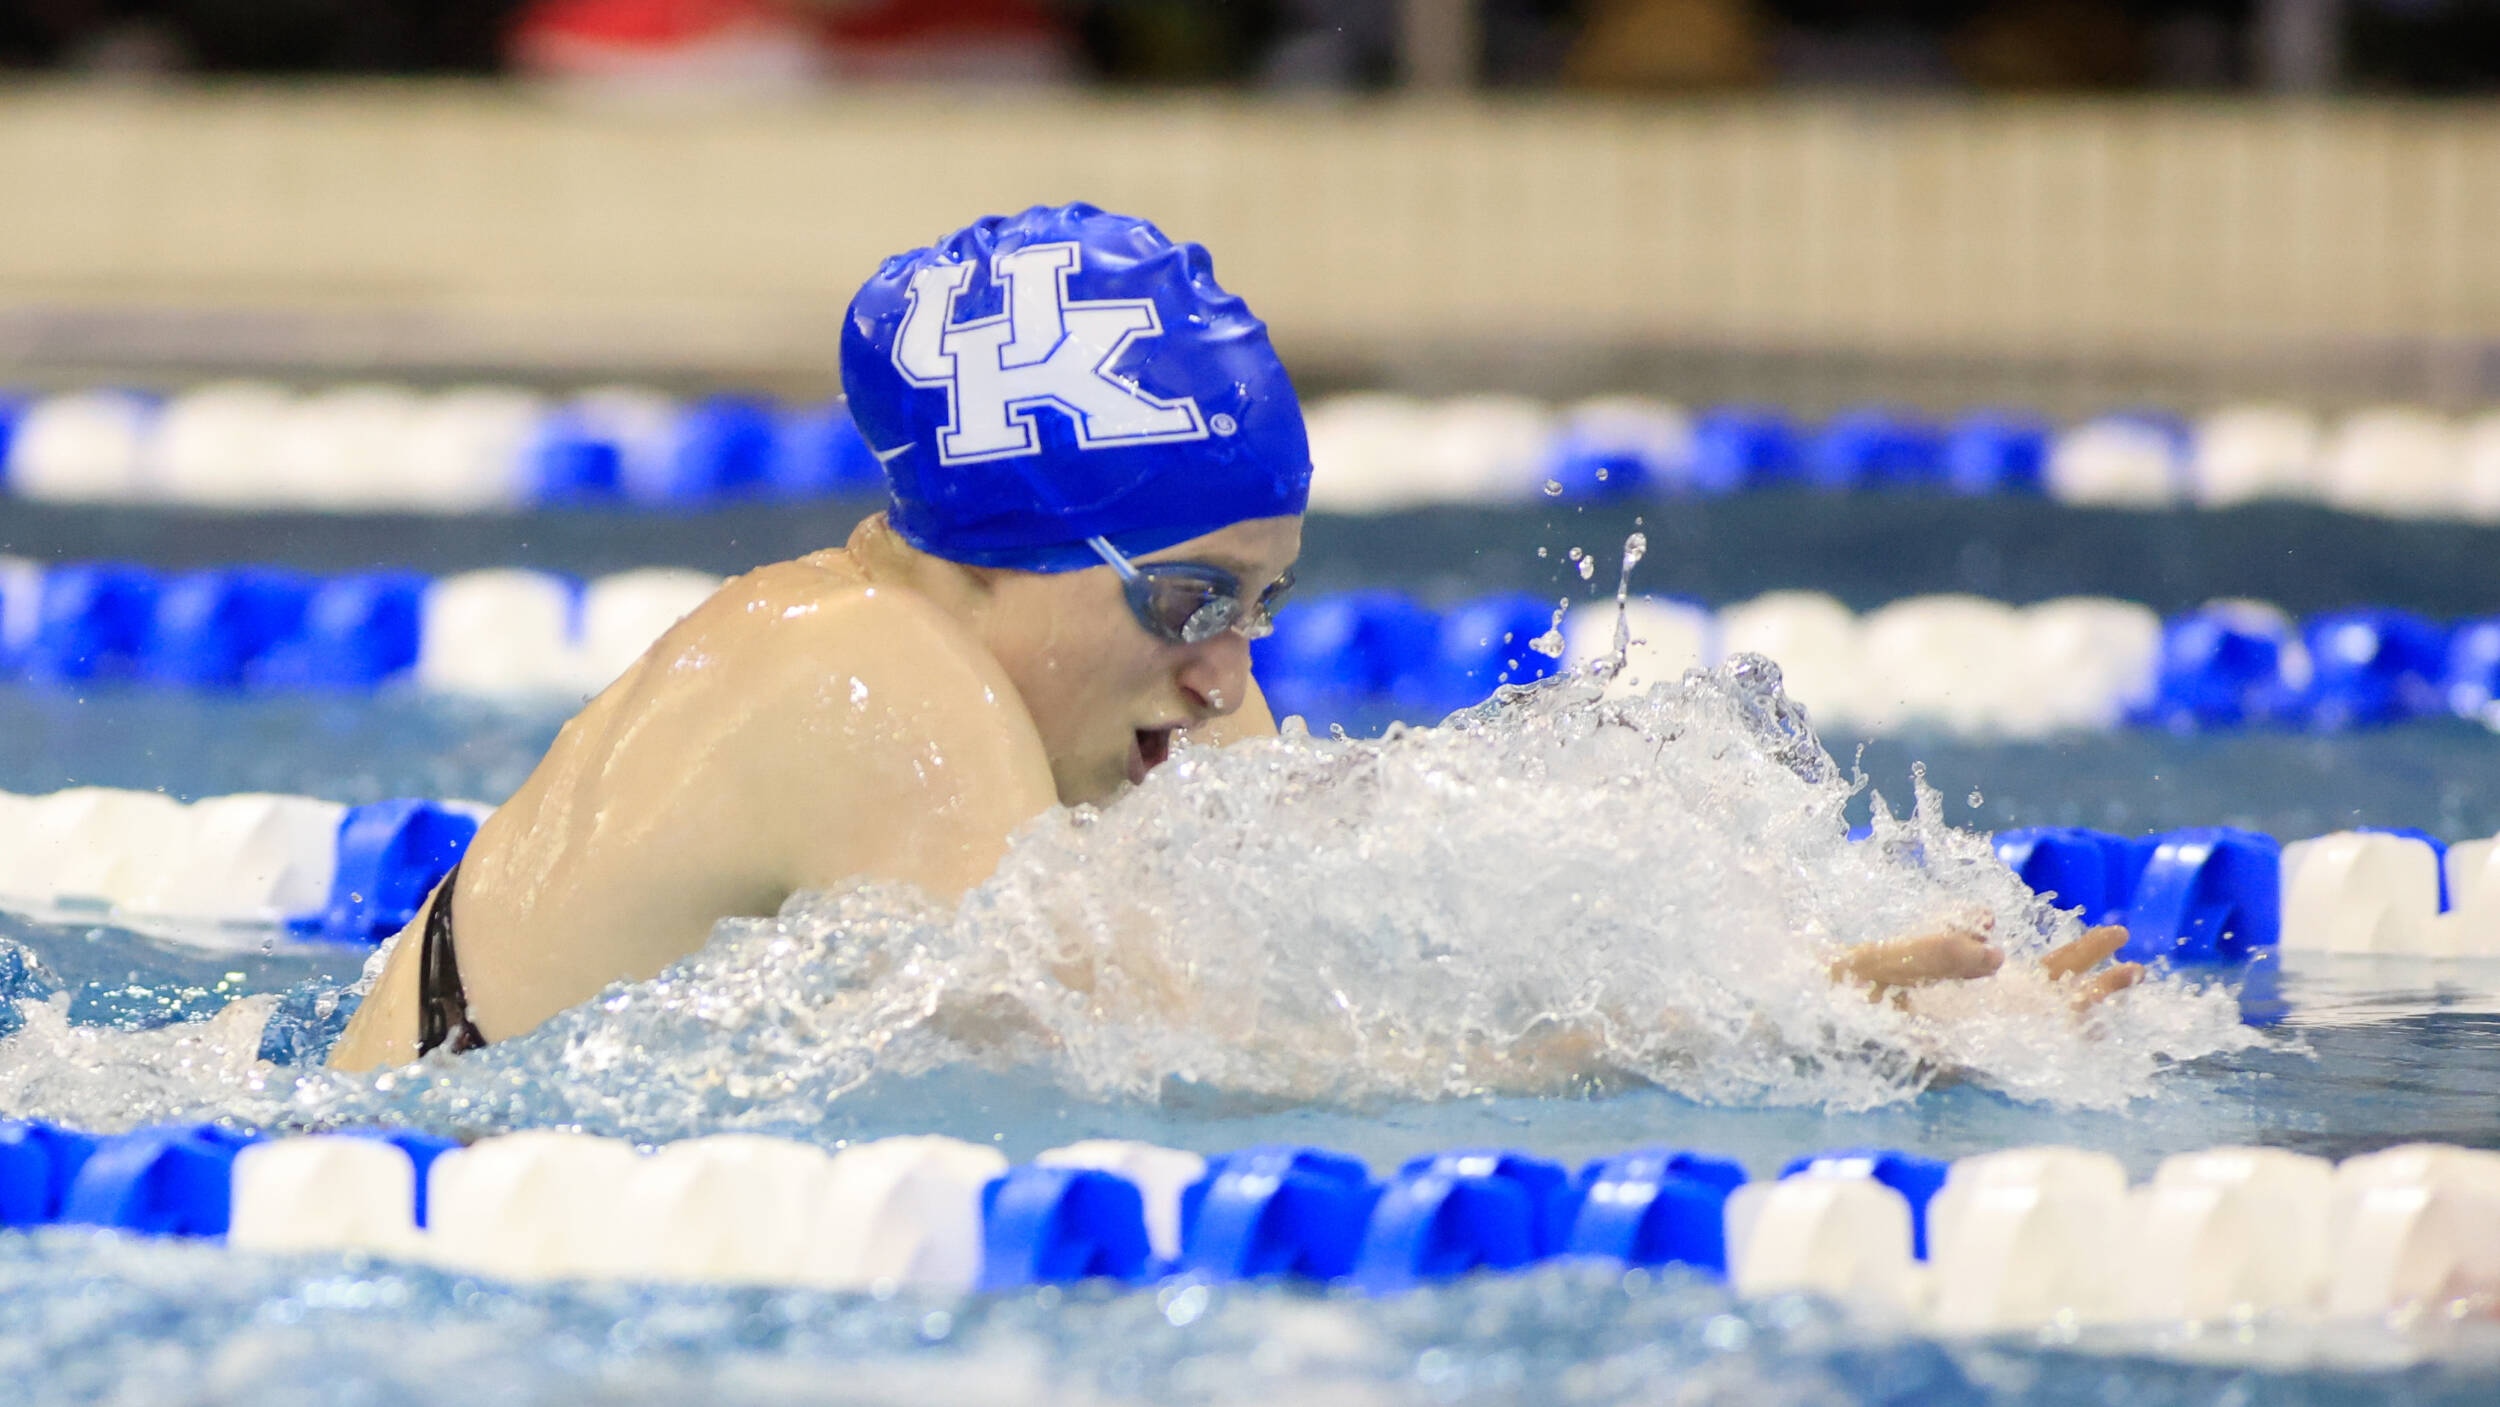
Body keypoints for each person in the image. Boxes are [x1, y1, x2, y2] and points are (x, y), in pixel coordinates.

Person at [327, 203, 2136, 1072]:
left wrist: (1784, 942)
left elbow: (1327, 907)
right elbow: (1212, 1076)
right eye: (1187, 602)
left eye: (1263, 608)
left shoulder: (1060, 684)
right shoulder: (868, 677)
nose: (1225, 677)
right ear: (1015, 548)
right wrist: (1752, 1041)